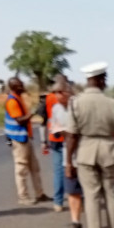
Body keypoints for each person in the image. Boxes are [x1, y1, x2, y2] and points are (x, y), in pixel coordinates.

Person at [65, 62, 114, 228]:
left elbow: (72, 135)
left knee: (91, 196)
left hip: (86, 150)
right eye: (104, 79)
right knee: (112, 195)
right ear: (99, 80)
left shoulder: (75, 103)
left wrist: (68, 161)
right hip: (110, 149)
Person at [4, 76, 51, 205]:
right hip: (19, 138)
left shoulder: (19, 98)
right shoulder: (12, 101)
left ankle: (39, 193)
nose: (23, 86)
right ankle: (23, 197)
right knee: (21, 169)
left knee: (35, 167)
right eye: (20, 85)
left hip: (25, 137)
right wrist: (33, 113)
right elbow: (20, 120)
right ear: (14, 87)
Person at [49, 80, 84, 228]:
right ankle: (75, 221)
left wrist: (70, 133)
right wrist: (62, 132)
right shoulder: (56, 108)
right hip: (67, 153)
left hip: (84, 153)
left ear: (68, 92)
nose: (57, 96)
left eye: (60, 92)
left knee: (90, 192)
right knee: (72, 190)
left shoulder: (78, 105)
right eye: (55, 93)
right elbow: (55, 127)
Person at [42, 74, 68, 212]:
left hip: (54, 138)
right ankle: (75, 196)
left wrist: (43, 140)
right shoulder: (70, 99)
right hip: (67, 139)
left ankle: (58, 202)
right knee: (70, 169)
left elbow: (44, 120)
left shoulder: (48, 98)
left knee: (58, 171)